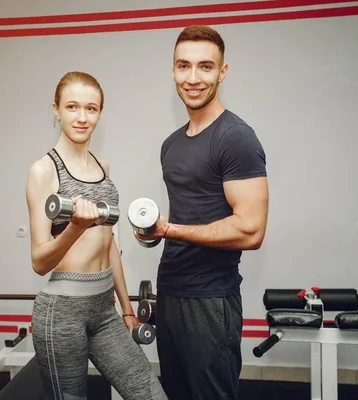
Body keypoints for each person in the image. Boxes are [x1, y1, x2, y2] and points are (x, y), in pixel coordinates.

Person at [136, 25, 269, 399]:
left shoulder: (235, 137)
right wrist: (150, 232)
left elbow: (250, 231)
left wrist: (169, 230)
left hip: (211, 300)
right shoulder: (171, 145)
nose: (193, 78)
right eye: (184, 66)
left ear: (222, 72)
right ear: (173, 70)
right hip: (171, 293)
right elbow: (191, 213)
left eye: (205, 67)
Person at [26, 71, 167, 400]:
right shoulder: (43, 171)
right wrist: (75, 227)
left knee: (151, 395)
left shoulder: (102, 165)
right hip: (62, 313)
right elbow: (39, 261)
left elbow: (110, 244)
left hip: (104, 310)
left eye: (91, 108)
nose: (82, 116)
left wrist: (127, 309)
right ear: (56, 109)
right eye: (72, 107)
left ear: (100, 113)